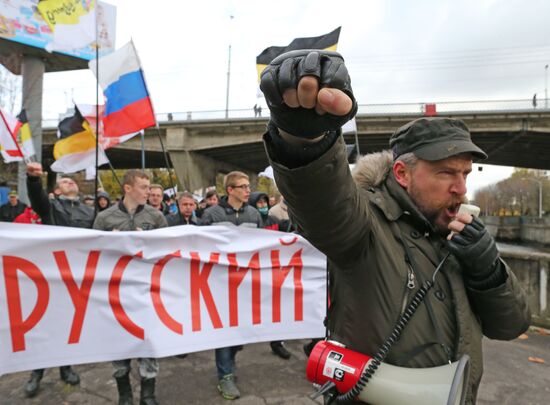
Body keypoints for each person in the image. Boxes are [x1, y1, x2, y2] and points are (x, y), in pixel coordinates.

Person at [259, 50, 530, 404]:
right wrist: (304, 138)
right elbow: (324, 202)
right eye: (446, 172)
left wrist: (489, 271)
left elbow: (511, 326)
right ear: (402, 174)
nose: (460, 188)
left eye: (464, 173)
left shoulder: (460, 237)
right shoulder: (366, 223)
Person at [93, 169, 167, 405]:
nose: (149, 192)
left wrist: (149, 243)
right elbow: (92, 256)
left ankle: (148, 394)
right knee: (118, 344)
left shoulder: (156, 218)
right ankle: (124, 394)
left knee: (148, 341)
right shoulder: (105, 218)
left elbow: (167, 253)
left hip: (146, 290)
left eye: (149, 187)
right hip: (114, 292)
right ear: (128, 188)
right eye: (144, 187)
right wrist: (111, 243)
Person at [24, 162, 92, 397]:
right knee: (44, 324)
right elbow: (37, 199)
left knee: (68, 325)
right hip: (51, 275)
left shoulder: (89, 212)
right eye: (64, 181)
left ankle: (66, 366)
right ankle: (36, 372)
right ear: (57, 191)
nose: (70, 180)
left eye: (72, 180)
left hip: (78, 277)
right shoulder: (50, 206)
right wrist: (33, 180)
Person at [200, 171, 262, 400]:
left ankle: (230, 359)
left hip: (246, 284)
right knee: (224, 331)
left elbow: (262, 246)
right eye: (243, 186)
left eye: (248, 186)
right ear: (230, 190)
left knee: (238, 332)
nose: (248, 190)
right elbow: (201, 246)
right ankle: (225, 375)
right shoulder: (211, 215)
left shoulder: (255, 214)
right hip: (220, 284)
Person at [248, 191, 293, 360]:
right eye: (259, 203)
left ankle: (276, 342)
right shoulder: (252, 223)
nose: (263, 206)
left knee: (277, 307)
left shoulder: (274, 221)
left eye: (264, 202)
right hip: (256, 270)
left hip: (274, 270)